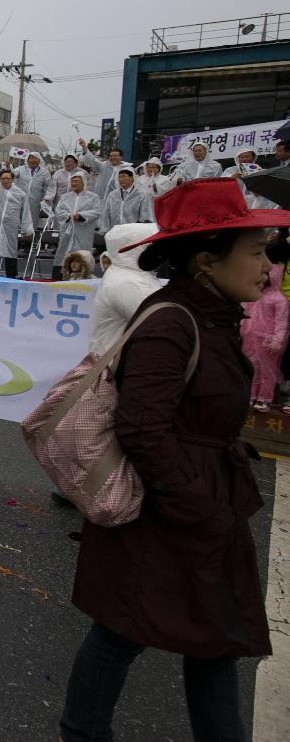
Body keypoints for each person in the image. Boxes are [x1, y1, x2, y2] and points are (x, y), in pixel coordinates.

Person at [59, 177, 282, 742]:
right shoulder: (171, 323)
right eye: (255, 252)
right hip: (167, 511)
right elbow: (141, 426)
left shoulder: (216, 316)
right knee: (122, 633)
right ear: (207, 261)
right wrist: (198, 501)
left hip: (198, 507)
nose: (268, 266)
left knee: (211, 643)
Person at [86, 223, 161, 357]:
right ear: (136, 248)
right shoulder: (126, 282)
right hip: (115, 368)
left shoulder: (129, 274)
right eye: (151, 246)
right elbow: (159, 321)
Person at [241, 262, 288, 413]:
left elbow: (282, 322)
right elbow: (243, 312)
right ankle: (251, 395)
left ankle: (264, 398)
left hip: (267, 341)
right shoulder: (253, 294)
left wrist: (277, 340)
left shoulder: (279, 299)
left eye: (266, 275)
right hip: (249, 338)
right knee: (251, 367)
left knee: (268, 370)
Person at [53, 171, 103, 279]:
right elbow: (58, 211)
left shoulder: (93, 197)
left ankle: (82, 279)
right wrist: (69, 216)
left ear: (83, 182)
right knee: (63, 255)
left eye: (76, 181)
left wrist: (81, 216)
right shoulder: (65, 197)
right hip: (67, 232)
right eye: (72, 181)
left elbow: (97, 211)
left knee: (82, 255)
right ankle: (60, 279)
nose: (74, 184)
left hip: (83, 232)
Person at [99, 165, 147, 231]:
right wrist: (105, 230)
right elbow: (106, 213)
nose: (121, 179)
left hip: (133, 232)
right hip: (114, 230)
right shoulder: (113, 194)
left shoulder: (141, 194)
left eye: (123, 176)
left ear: (132, 178)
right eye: (119, 177)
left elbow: (145, 215)